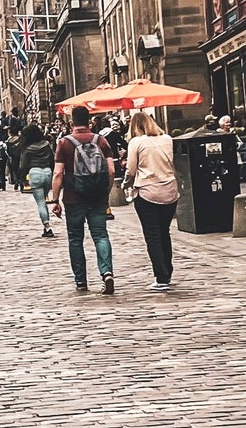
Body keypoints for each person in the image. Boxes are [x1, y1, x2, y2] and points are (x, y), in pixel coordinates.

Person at [50, 106, 114, 291]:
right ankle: (107, 273)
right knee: (101, 235)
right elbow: (110, 170)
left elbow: (58, 173)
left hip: (73, 198)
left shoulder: (64, 143)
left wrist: (55, 200)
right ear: (90, 122)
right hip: (97, 197)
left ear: (72, 123)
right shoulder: (100, 140)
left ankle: (81, 280)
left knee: (75, 239)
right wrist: (106, 192)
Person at [125, 110, 180, 290]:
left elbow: (131, 170)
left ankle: (161, 277)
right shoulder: (167, 139)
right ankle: (168, 272)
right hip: (170, 191)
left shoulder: (136, 142)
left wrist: (126, 183)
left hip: (148, 192)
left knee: (153, 236)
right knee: (164, 233)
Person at [19, 123, 56, 237]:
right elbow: (52, 159)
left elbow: (23, 165)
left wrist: (23, 179)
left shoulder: (28, 148)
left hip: (35, 173)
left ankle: (47, 226)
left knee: (41, 203)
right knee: (44, 199)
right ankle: (46, 226)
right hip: (47, 172)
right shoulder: (46, 144)